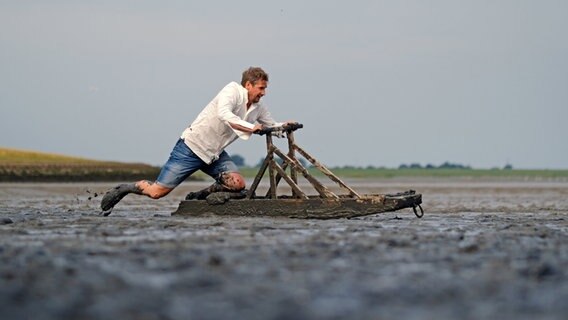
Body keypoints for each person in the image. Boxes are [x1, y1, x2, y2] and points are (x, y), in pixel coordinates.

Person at [101, 67, 288, 214]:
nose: (264, 93)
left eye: (265, 89)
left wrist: (284, 127)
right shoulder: (231, 90)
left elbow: (270, 124)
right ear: (248, 85)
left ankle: (199, 196)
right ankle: (125, 188)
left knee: (238, 184)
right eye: (261, 88)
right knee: (157, 192)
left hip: (214, 155)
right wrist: (251, 127)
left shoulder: (258, 106)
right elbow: (224, 115)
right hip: (191, 148)